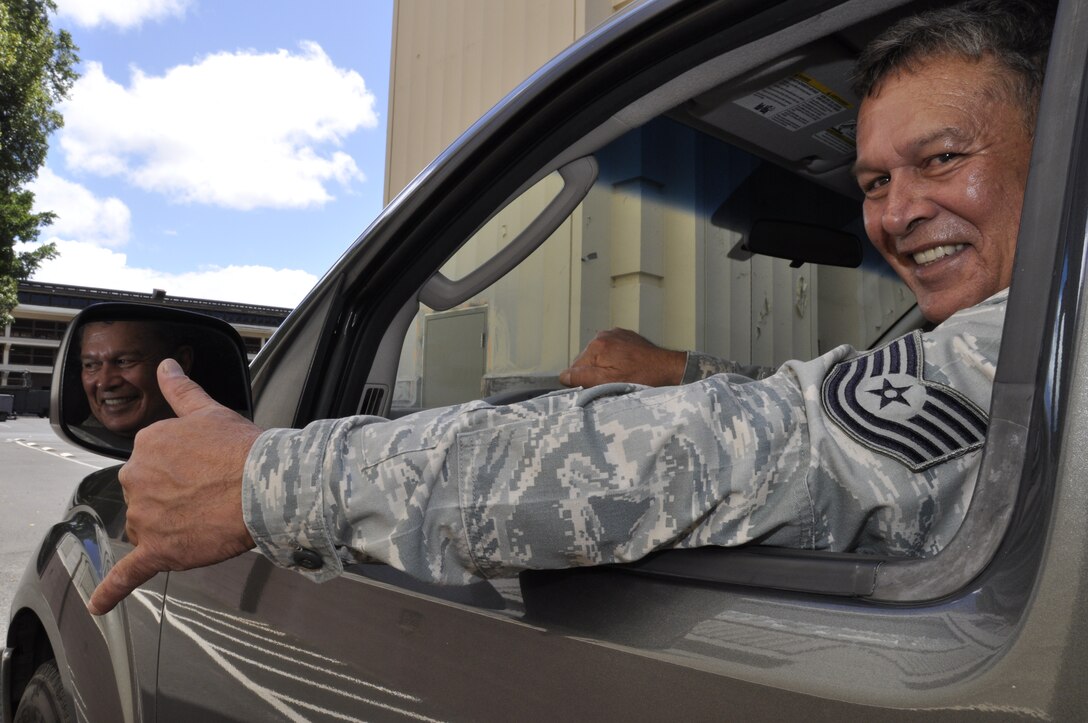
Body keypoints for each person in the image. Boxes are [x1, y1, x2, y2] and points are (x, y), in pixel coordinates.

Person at [87, 0, 1053, 616]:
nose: (895, 212)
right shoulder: (1027, 341)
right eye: (874, 179)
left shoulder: (1016, 348)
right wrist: (684, 375)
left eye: (941, 160)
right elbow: (842, 413)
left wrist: (269, 480)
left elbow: (749, 451)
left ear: (1057, 161)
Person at [75, 320, 194, 443]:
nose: (105, 382)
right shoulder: (80, 437)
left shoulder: (204, 438)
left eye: (124, 361)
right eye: (91, 365)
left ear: (181, 362)